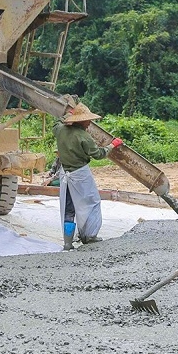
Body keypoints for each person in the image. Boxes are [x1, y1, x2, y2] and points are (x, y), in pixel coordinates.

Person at [53, 103, 122, 251]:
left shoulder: (60, 130)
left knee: (69, 207)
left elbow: (57, 122)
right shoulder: (84, 137)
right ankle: (89, 236)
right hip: (80, 175)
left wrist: (68, 113)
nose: (90, 123)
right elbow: (99, 154)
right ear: (82, 121)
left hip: (66, 174)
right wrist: (112, 145)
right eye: (88, 120)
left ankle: (67, 243)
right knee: (92, 203)